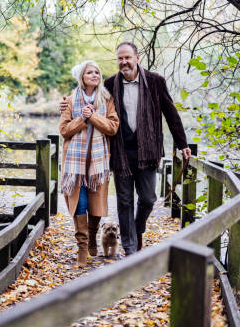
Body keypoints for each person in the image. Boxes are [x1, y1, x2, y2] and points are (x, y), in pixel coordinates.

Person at [60, 42, 191, 255]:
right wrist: (65, 104)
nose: (124, 62)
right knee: (125, 200)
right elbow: (88, 95)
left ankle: (137, 229)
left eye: (127, 58)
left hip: (148, 152)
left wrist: (182, 144)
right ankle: (130, 249)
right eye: (120, 58)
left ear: (137, 58)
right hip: (120, 153)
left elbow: (171, 113)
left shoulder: (156, 81)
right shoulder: (111, 84)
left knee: (148, 198)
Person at [59, 60, 119, 268]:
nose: (94, 75)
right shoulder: (70, 100)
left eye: (97, 72)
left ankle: (93, 236)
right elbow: (64, 130)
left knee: (95, 207)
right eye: (89, 72)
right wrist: (82, 120)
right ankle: (82, 249)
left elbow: (112, 127)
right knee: (80, 204)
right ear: (82, 77)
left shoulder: (106, 99)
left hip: (98, 165)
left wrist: (92, 116)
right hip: (74, 166)